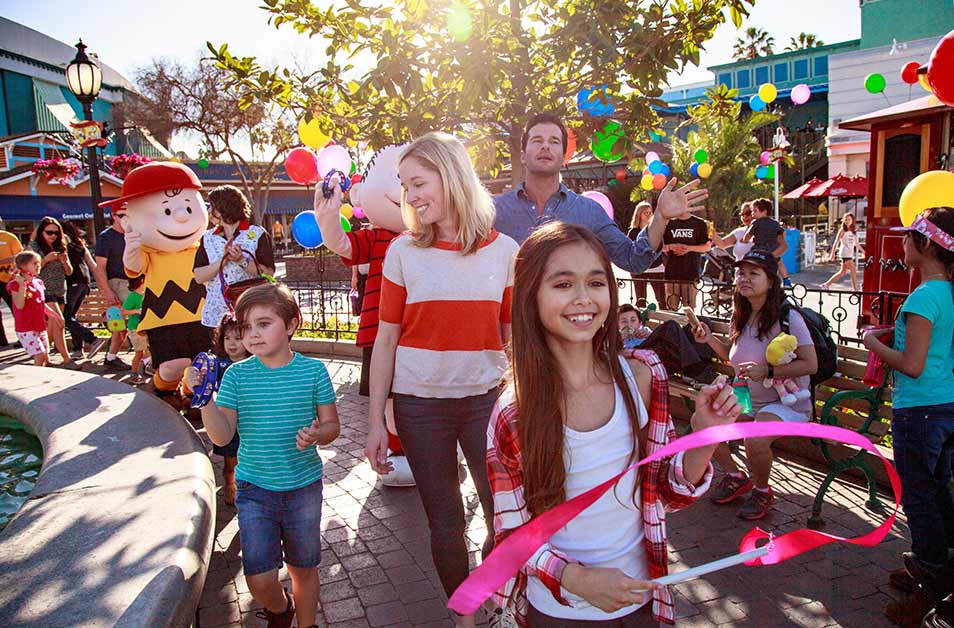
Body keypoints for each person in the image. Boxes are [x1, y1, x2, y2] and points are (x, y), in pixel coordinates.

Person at [487, 221, 740, 627]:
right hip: (559, 611)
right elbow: (512, 535)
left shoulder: (642, 378)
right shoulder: (514, 412)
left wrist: (707, 436)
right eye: (563, 284)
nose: (584, 299)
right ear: (530, 297)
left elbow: (667, 492)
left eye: (596, 282)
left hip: (643, 601)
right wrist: (576, 579)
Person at [362, 132, 517, 627]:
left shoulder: (505, 251)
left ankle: (491, 592)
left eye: (418, 183)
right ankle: (466, 616)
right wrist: (372, 425)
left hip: (485, 404)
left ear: (451, 178)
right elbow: (384, 342)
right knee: (446, 521)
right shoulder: (403, 251)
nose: (410, 197)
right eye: (405, 187)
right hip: (418, 407)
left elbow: (514, 339)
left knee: (503, 516)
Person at [187, 282, 340, 628]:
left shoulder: (312, 371)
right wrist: (204, 399)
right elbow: (222, 435)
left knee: (303, 568)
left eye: (263, 324)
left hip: (303, 487)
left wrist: (319, 433)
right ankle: (279, 607)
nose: (251, 335)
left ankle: (307, 624)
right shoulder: (237, 377)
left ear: (290, 325)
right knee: (259, 580)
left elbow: (332, 426)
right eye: (245, 327)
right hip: (255, 490)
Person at [862, 207, 954, 625]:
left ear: (925, 245)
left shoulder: (923, 297)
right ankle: (936, 569)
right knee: (937, 494)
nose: (901, 242)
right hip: (945, 408)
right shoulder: (947, 293)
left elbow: (912, 365)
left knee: (920, 499)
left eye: (907, 236)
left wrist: (869, 340)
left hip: (918, 411)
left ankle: (933, 585)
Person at [493, 113, 707, 274]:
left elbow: (633, 260)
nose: (545, 147)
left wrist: (660, 217)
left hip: (569, 328)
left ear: (564, 157)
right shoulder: (493, 211)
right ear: (522, 155)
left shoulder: (588, 212)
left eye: (554, 142)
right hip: (512, 330)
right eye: (537, 140)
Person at [691, 249, 817, 520]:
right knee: (703, 422)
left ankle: (762, 491)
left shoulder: (788, 318)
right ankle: (736, 477)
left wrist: (768, 370)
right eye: (741, 273)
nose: (744, 278)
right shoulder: (742, 315)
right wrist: (709, 339)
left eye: (753, 273)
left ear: (771, 281)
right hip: (750, 401)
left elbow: (811, 364)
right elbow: (732, 357)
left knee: (755, 437)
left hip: (787, 403)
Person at [182, 315, 248, 505]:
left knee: (247, 455)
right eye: (227, 338)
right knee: (230, 459)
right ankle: (230, 484)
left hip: (248, 418)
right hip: (226, 418)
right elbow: (205, 382)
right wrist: (195, 381)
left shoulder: (255, 363)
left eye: (238, 338)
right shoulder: (218, 364)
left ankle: (245, 488)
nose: (232, 344)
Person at [193, 185, 275, 330]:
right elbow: (199, 276)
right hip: (216, 316)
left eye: (212, 206)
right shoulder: (208, 238)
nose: (209, 211)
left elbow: (268, 273)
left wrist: (241, 261)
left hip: (251, 310)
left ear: (224, 207)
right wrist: (223, 261)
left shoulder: (256, 234)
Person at [28, 216, 77, 368]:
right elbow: (30, 270)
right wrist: (46, 260)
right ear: (41, 232)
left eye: (56, 233)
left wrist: (64, 261)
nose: (53, 236)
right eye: (49, 232)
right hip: (44, 290)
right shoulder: (34, 246)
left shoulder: (61, 247)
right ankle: (67, 359)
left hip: (60, 290)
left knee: (52, 327)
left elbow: (69, 272)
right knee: (59, 322)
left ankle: (44, 356)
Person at [7, 251, 66, 367]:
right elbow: (19, 305)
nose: (38, 265)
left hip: (39, 325)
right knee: (40, 355)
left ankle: (40, 376)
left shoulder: (38, 282)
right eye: (34, 263)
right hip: (26, 327)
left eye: (38, 263)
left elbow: (41, 304)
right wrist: (22, 286)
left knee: (45, 355)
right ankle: (35, 379)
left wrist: (55, 315)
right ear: (23, 266)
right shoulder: (15, 284)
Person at [93, 209, 131, 370]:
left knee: (129, 323)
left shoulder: (134, 234)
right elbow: (99, 267)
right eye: (122, 215)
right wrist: (107, 291)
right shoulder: (106, 237)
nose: (126, 218)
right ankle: (112, 357)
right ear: (114, 216)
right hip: (117, 283)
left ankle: (111, 356)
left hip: (135, 283)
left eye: (129, 214)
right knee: (123, 323)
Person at [61, 221, 106, 359]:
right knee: (72, 317)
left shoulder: (64, 244)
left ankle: (92, 339)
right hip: (84, 283)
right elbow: (92, 265)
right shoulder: (80, 244)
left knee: (66, 318)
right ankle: (77, 349)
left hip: (72, 282)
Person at [662, 207, 711, 310]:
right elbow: (658, 247)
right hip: (672, 273)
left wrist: (689, 248)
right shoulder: (669, 223)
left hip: (690, 273)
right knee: (672, 311)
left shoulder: (699, 223)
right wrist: (671, 246)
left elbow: (707, 247)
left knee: (689, 311)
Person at [740, 198, 791, 286]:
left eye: (754, 211)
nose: (752, 214)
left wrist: (744, 240)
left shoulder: (756, 222)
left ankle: (746, 277)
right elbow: (782, 233)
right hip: (772, 247)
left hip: (759, 248)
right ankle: (786, 279)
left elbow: (748, 235)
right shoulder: (774, 223)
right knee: (779, 262)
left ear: (764, 211)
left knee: (748, 260)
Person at [626, 201, 666, 307]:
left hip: (656, 267)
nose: (649, 215)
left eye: (650, 212)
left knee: (662, 298)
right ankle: (641, 321)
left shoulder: (657, 229)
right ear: (639, 214)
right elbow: (631, 249)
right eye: (645, 213)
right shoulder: (633, 232)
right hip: (639, 268)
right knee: (641, 299)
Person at [821, 212, 865, 291]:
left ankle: (826, 284)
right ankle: (855, 290)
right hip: (845, 253)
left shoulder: (853, 230)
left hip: (850, 253)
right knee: (853, 270)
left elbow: (856, 244)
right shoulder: (842, 230)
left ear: (852, 220)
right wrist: (832, 254)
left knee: (842, 272)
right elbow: (836, 242)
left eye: (849, 219)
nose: (847, 221)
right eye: (846, 219)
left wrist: (863, 251)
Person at [120, 274, 150, 382]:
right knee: (139, 352)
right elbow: (123, 311)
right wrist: (137, 311)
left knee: (148, 350)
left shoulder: (144, 295)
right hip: (135, 328)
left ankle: (145, 369)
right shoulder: (133, 296)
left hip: (144, 327)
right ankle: (134, 373)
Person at [0, 217, 24, 348]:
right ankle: (1, 340)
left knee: (17, 309)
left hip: (9, 278)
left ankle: (23, 337)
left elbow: (20, 256)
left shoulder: (9, 238)